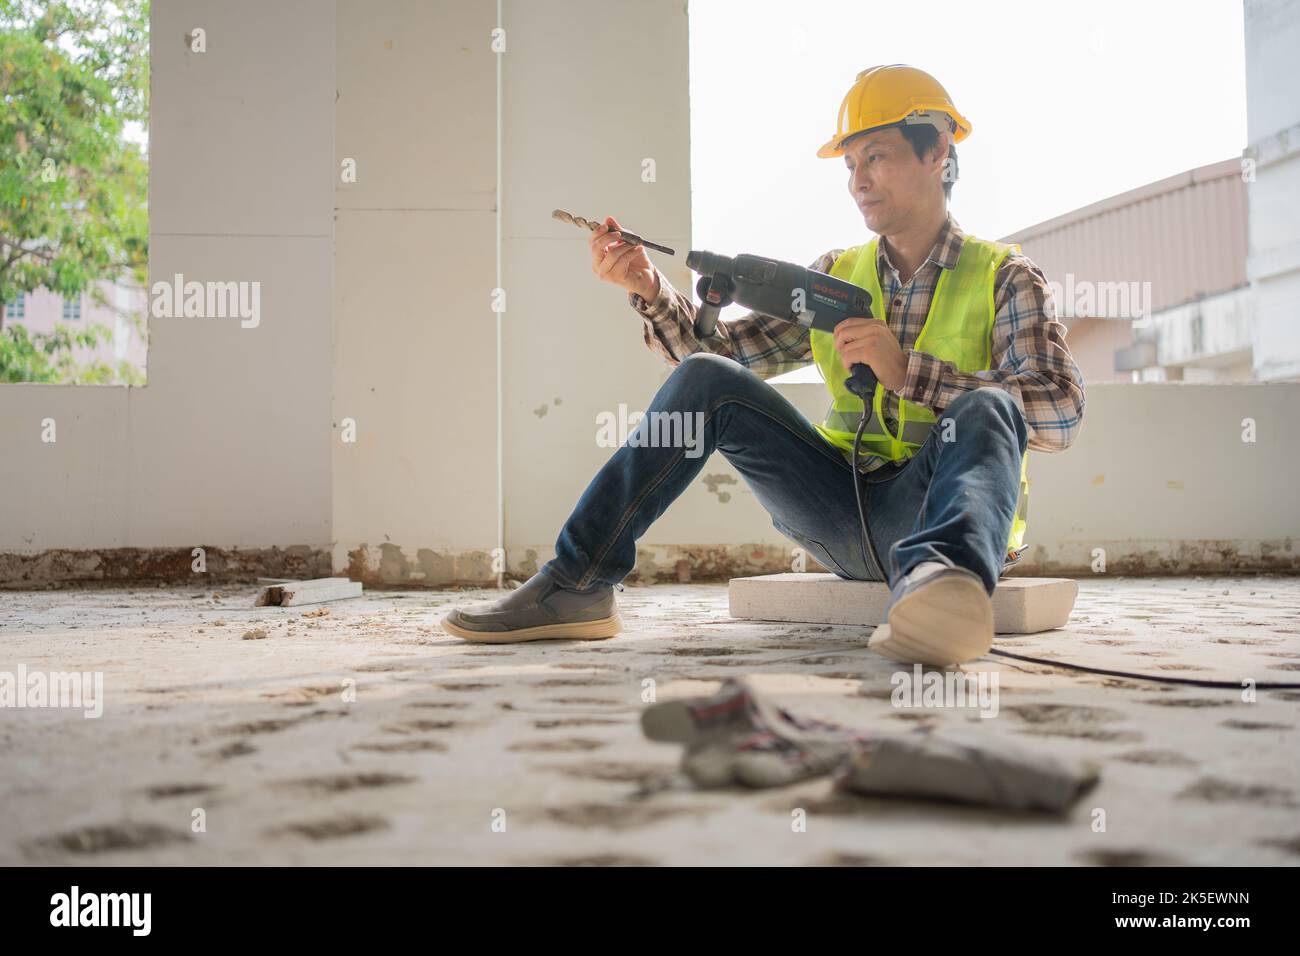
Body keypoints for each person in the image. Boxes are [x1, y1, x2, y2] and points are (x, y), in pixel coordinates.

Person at [442, 64, 1085, 666]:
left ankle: (940, 594)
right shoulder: (838, 275)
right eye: (852, 163)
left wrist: (909, 372)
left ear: (938, 151)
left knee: (992, 404)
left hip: (939, 517)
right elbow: (721, 362)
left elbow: (1058, 413)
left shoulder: (1005, 278)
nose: (859, 180)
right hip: (838, 506)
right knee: (707, 382)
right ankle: (577, 583)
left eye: (878, 157)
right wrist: (649, 289)